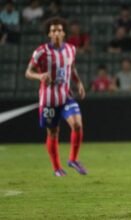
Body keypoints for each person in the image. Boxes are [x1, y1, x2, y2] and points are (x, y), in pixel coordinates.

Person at [25, 17, 87, 176]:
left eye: (59, 30)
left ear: (64, 32)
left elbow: (71, 68)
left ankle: (73, 159)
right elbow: (28, 72)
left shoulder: (71, 49)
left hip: (66, 95)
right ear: (49, 34)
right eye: (53, 30)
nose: (57, 33)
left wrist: (78, 83)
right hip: (48, 100)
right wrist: (39, 76)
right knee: (53, 133)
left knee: (77, 125)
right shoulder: (41, 51)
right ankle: (57, 168)